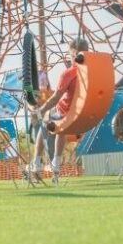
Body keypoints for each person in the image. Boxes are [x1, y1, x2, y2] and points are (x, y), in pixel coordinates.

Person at [30, 38, 88, 183]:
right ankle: (55, 162)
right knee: (59, 128)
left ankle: (36, 162)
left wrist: (41, 110)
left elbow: (56, 98)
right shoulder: (93, 72)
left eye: (70, 53)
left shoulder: (68, 73)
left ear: (74, 53)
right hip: (84, 115)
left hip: (65, 113)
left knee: (46, 120)